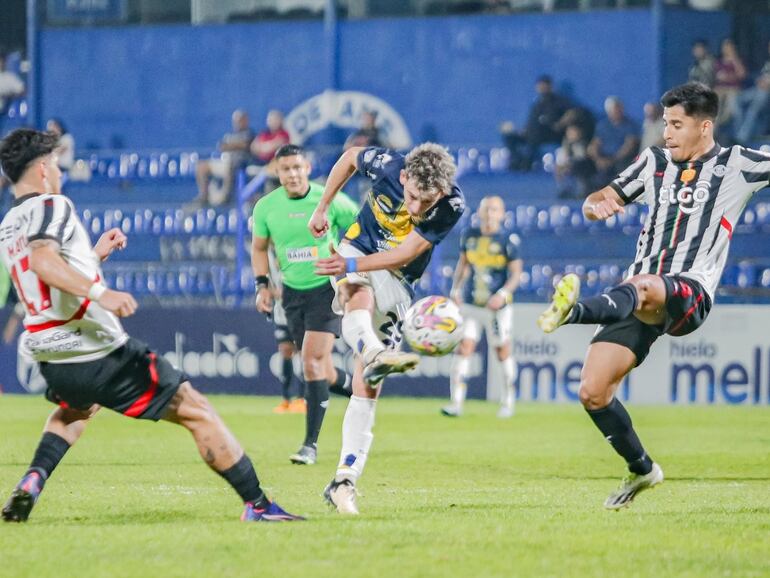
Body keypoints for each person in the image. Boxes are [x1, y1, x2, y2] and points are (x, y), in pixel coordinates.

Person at [0, 128, 302, 523]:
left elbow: (43, 275)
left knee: (75, 410)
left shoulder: (10, 222)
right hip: (93, 347)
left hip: (50, 353)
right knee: (195, 408)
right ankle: (259, 505)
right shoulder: (53, 205)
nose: (58, 171)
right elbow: (43, 262)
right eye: (55, 164)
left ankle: (31, 481)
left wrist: (93, 257)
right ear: (42, 168)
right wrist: (100, 292)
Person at [536, 82, 770, 510]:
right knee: (592, 391)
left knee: (643, 285)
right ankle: (642, 469)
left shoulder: (738, 164)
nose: (667, 133)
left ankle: (572, 312)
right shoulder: (654, 162)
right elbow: (600, 197)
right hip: (637, 294)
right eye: (665, 124)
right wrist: (597, 205)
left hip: (689, 292)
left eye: (676, 125)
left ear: (705, 126)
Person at [309, 143, 465, 514]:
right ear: (404, 177)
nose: (415, 209)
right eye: (411, 197)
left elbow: (406, 253)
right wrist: (323, 205)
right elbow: (349, 157)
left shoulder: (452, 205)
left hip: (398, 279)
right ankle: (372, 349)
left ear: (440, 193)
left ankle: (343, 481)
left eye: (425, 203)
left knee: (367, 387)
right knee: (356, 292)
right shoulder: (388, 163)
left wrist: (352, 267)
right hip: (356, 250)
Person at [252, 144, 357, 465]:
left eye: (298, 167)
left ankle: (309, 445)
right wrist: (262, 285)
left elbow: (362, 230)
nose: (293, 174)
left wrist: (349, 268)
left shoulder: (331, 200)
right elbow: (259, 248)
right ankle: (360, 390)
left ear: (308, 167)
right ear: (277, 172)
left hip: (327, 290)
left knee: (310, 362)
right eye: (286, 169)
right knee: (321, 371)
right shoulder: (266, 207)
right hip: (293, 294)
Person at [442, 195, 522, 419]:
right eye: (486, 209)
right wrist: (455, 289)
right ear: (479, 212)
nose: (489, 214)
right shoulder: (469, 235)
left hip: (496, 308)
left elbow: (516, 274)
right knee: (464, 347)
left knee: (501, 351)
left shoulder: (508, 240)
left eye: (494, 210)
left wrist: (503, 294)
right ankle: (455, 403)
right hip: (470, 304)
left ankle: (508, 401)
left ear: (502, 214)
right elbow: (463, 264)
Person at [266, 247, 306, 415]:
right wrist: (274, 292)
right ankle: (285, 399)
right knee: (285, 350)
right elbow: (264, 280)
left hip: (300, 309)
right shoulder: (266, 253)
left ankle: (302, 399)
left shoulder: (294, 245)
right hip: (281, 312)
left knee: (303, 352)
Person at [193, 109, 254, 207]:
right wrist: (232, 145)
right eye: (236, 121)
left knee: (232, 164)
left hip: (239, 164)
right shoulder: (230, 135)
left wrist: (231, 145)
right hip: (224, 161)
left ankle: (226, 197)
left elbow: (245, 145)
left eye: (240, 120)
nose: (238, 123)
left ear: (245, 121)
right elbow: (222, 146)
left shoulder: (249, 133)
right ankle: (204, 196)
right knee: (202, 166)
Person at [588, 96, 640, 186]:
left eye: (619, 108)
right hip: (604, 157)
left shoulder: (630, 125)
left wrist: (612, 160)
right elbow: (594, 145)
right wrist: (598, 159)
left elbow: (629, 146)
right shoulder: (602, 125)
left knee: (623, 167)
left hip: (621, 158)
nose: (618, 111)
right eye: (615, 109)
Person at [733, 40, 770, 144]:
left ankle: (741, 138)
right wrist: (759, 80)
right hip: (758, 89)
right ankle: (738, 132)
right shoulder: (767, 62)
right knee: (737, 99)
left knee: (753, 108)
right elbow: (761, 76)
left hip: (767, 93)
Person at [713, 38, 747, 132]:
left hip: (734, 89)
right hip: (721, 88)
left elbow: (741, 75)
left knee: (730, 104)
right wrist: (731, 76)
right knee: (715, 102)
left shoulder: (737, 60)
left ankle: (721, 123)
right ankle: (714, 129)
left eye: (729, 46)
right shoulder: (718, 61)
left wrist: (734, 59)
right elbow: (718, 76)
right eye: (725, 46)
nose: (727, 48)